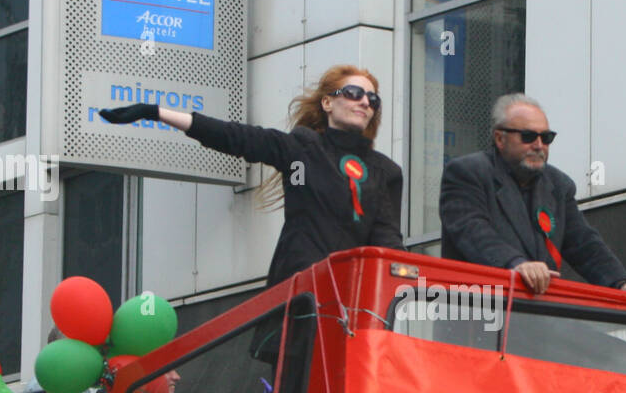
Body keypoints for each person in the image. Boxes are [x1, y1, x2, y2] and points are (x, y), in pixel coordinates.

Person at [98, 65, 404, 286]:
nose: (365, 102)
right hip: (301, 293)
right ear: (327, 103)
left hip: (354, 300)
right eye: (354, 93)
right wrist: (156, 112)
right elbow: (235, 136)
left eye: (372, 99)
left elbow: (388, 243)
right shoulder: (301, 149)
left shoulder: (385, 172)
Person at [438, 94, 626, 309]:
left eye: (546, 138)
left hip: (539, 321)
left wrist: (622, 284)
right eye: (528, 136)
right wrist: (516, 264)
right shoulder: (467, 173)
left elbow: (585, 244)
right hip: (477, 317)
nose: (539, 145)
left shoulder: (558, 184)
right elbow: (473, 232)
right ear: (500, 138)